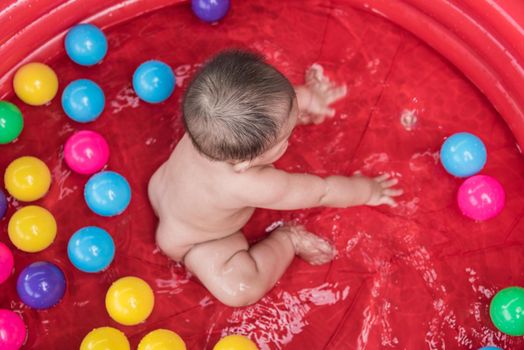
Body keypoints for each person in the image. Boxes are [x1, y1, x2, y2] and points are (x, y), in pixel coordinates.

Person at [148, 50, 402, 307]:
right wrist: (368, 191)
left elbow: (254, 98)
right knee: (242, 290)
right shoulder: (254, 184)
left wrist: (307, 97)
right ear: (245, 164)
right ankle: (288, 240)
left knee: (252, 105)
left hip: (162, 192)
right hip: (198, 242)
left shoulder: (206, 128)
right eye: (287, 134)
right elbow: (322, 192)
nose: (291, 134)